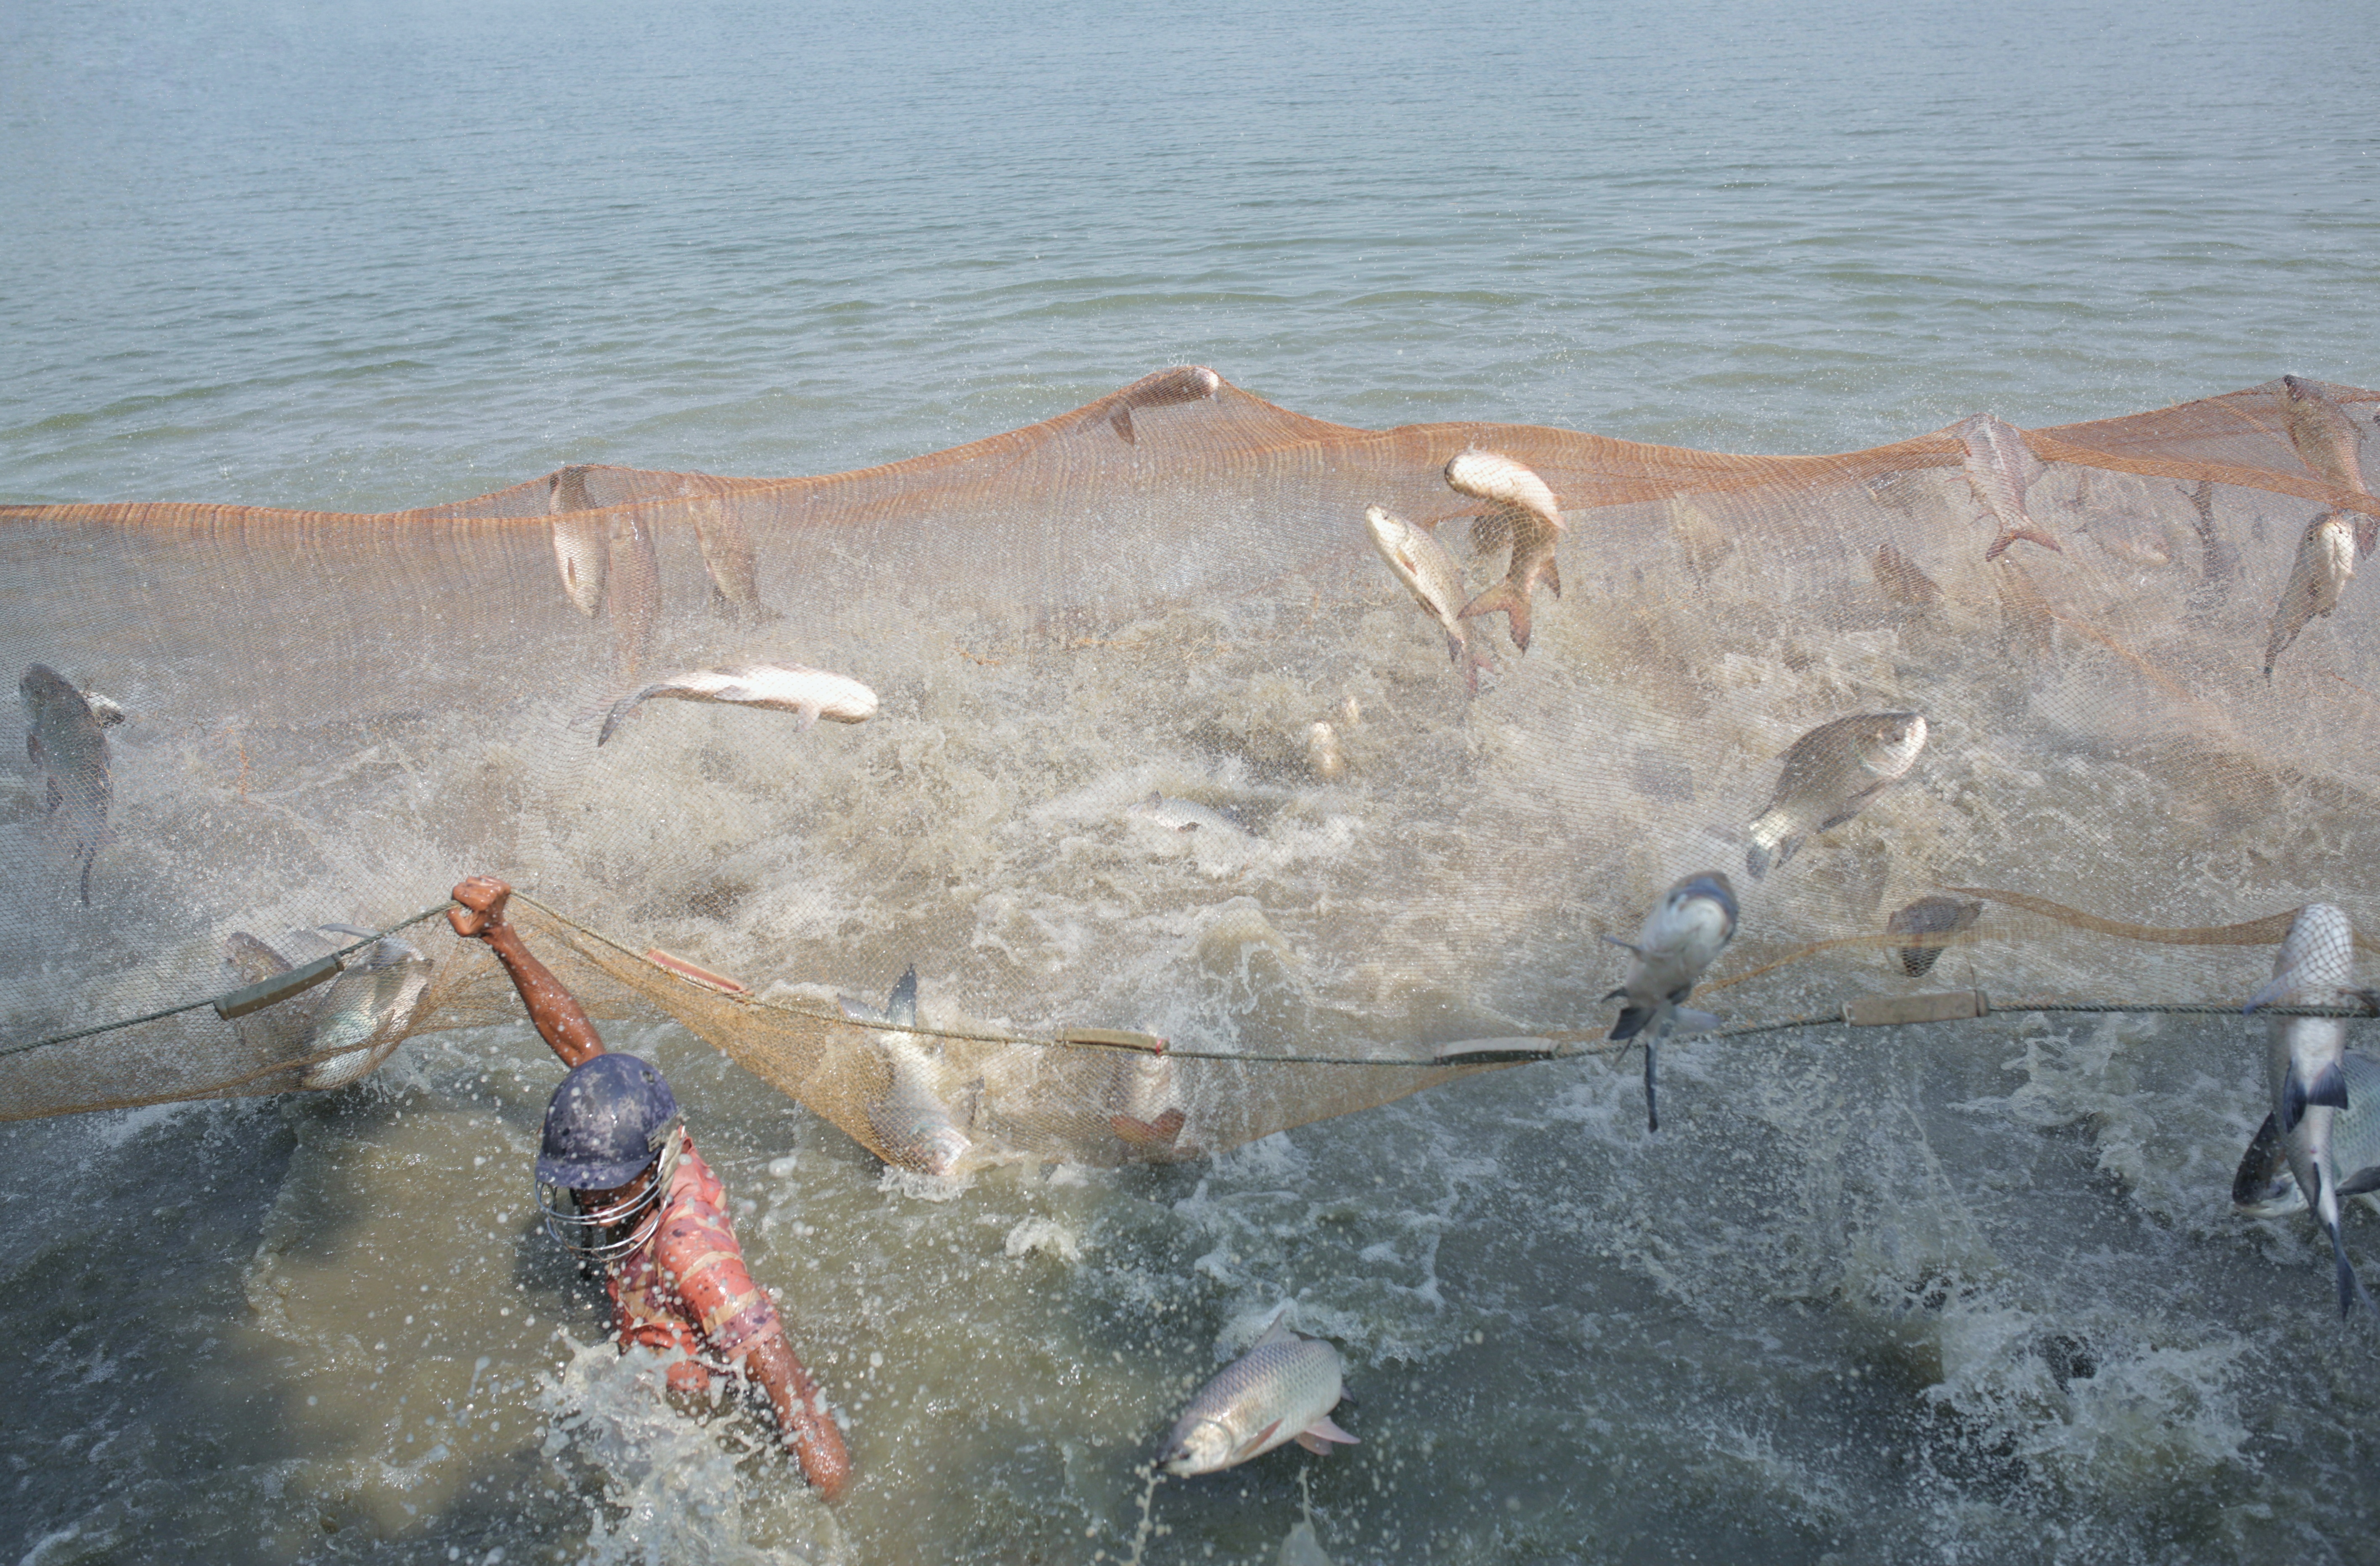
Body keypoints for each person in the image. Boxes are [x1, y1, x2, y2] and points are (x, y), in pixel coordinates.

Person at [447, 875, 851, 1499]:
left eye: (607, 1191)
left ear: (657, 1166)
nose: (591, 1204)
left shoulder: (696, 1257)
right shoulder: (623, 1128)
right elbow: (576, 1042)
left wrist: (833, 1505)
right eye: (581, 1190)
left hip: (694, 1410)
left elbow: (796, 1401)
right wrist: (502, 934)